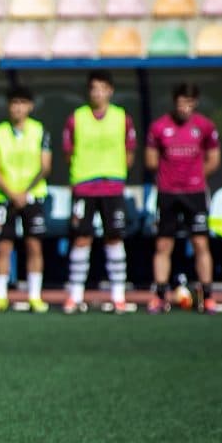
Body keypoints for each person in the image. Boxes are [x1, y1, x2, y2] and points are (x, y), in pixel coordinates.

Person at [63, 70, 137, 314]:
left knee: (114, 236)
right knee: (82, 237)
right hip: (84, 185)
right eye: (93, 88)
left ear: (110, 91)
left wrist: (114, 171)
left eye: (102, 88)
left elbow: (129, 151)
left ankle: (118, 294)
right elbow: (68, 151)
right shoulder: (77, 117)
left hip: (112, 186)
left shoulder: (121, 117)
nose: (98, 93)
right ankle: (75, 294)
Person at [146, 83, 220, 314]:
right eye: (180, 103)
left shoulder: (205, 126)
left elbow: (213, 159)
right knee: (164, 243)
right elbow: (150, 161)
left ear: (195, 103)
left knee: (200, 242)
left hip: (195, 193)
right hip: (168, 193)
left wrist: (194, 176)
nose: (184, 108)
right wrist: (171, 176)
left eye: (189, 103)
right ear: (174, 102)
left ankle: (206, 295)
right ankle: (159, 295)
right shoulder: (159, 127)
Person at [0, 86, 51, 314]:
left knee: (34, 244)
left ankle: (34, 296)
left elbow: (45, 166)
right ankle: (0, 296)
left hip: (33, 195)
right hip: (6, 196)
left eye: (22, 102)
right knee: (3, 246)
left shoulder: (40, 131)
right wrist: (12, 193)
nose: (18, 107)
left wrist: (25, 192)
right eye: (14, 103)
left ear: (30, 106)